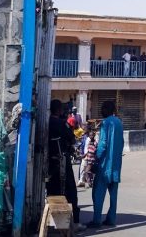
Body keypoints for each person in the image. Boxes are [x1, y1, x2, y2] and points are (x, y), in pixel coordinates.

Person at [47, 99, 84, 231]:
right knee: (70, 191)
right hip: (62, 160)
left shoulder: (48, 122)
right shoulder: (61, 123)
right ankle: (74, 222)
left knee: (53, 190)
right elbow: (72, 138)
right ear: (58, 110)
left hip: (49, 162)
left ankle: (54, 222)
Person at [88, 100, 124, 228]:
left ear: (107, 110)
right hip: (116, 165)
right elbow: (122, 143)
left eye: (103, 109)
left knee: (97, 193)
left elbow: (103, 144)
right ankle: (111, 219)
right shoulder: (119, 123)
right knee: (113, 195)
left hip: (104, 166)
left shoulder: (105, 123)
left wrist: (95, 159)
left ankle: (97, 220)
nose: (101, 111)